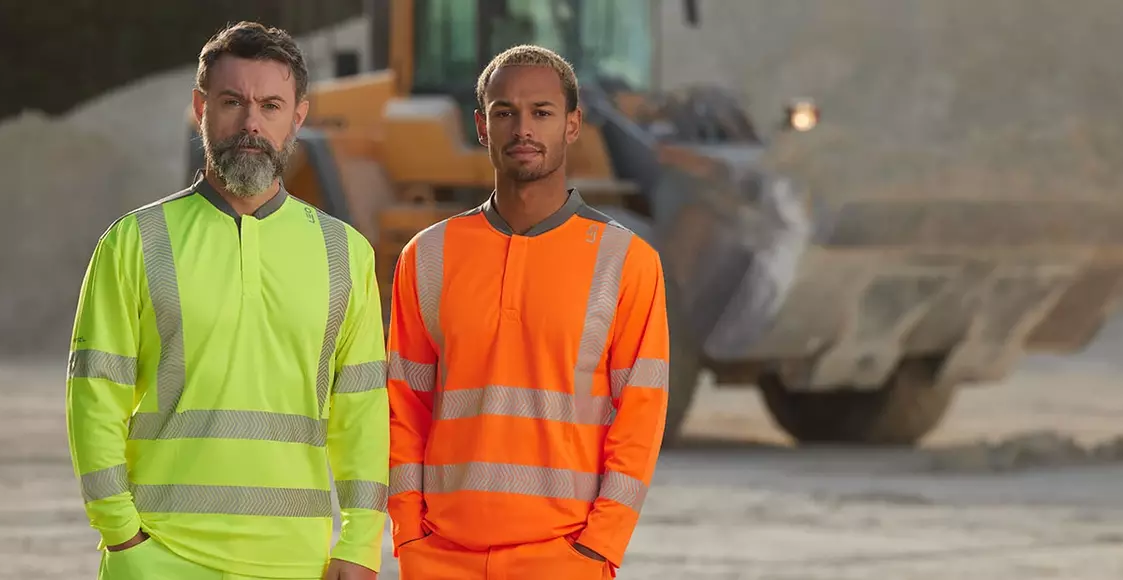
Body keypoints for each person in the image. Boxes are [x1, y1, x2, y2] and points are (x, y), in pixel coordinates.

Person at [65, 21, 387, 580]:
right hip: (158, 559)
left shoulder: (347, 254)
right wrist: (121, 537)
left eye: (271, 105)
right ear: (201, 107)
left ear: (299, 116)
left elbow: (362, 415)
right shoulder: (134, 242)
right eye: (232, 101)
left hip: (296, 563)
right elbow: (94, 400)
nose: (251, 123)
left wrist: (360, 543)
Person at [385, 44, 670, 579]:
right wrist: (409, 533)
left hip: (564, 560)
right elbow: (403, 407)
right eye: (504, 113)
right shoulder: (426, 256)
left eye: (542, 112)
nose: (523, 128)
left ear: (572, 124)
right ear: (481, 126)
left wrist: (600, 546)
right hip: (440, 558)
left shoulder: (627, 261)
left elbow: (640, 417)